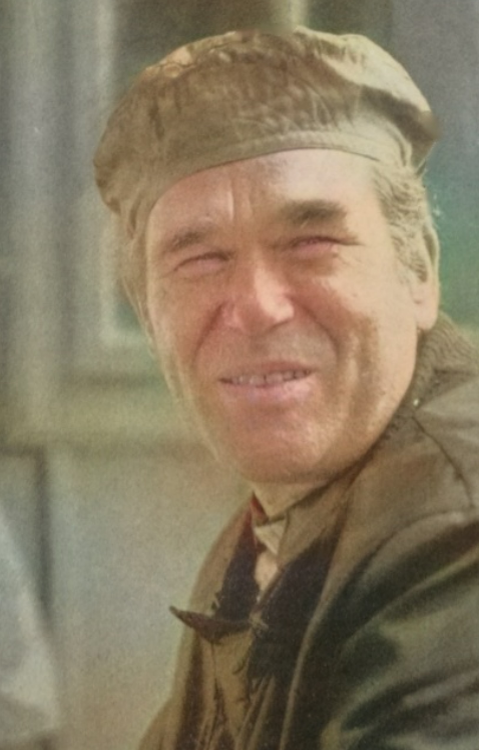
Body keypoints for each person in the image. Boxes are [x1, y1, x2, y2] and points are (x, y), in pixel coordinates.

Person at [94, 27, 479, 750]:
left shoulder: (454, 534)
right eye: (201, 260)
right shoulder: (273, 526)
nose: (257, 306)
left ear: (419, 272)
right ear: (149, 316)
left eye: (311, 243)